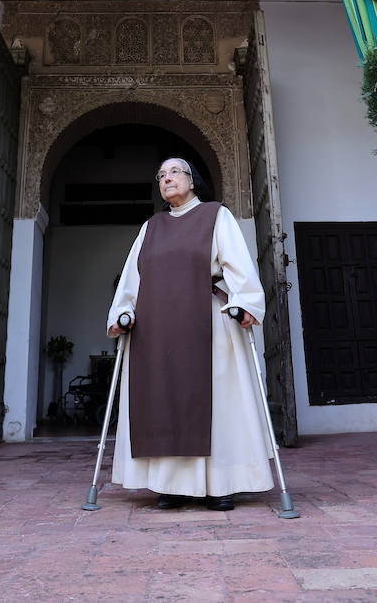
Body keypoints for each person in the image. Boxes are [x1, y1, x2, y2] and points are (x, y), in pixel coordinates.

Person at [104, 156, 275, 511]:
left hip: (207, 323)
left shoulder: (216, 216)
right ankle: (172, 486)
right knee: (163, 402)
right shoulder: (151, 227)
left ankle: (221, 485)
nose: (167, 178)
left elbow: (239, 267)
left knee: (216, 405)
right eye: (161, 174)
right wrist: (122, 312)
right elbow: (133, 278)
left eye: (175, 172)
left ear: (192, 180)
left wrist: (245, 302)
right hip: (155, 330)